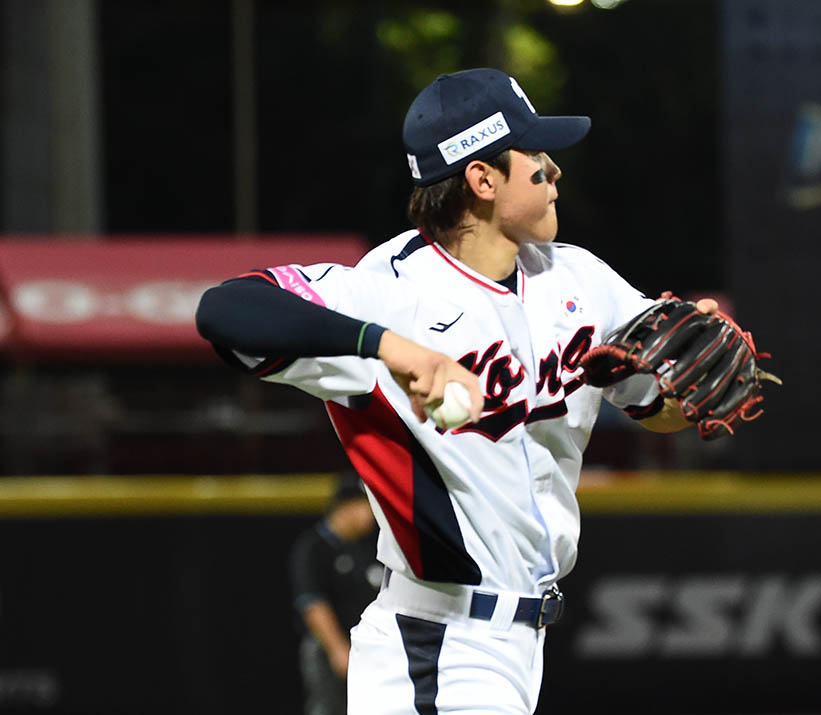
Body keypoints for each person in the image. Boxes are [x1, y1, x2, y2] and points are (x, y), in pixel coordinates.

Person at [195, 67, 719, 714]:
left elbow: (656, 410)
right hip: (436, 641)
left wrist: (684, 396)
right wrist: (388, 345)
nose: (553, 170)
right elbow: (225, 309)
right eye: (536, 156)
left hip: (520, 642)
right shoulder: (389, 291)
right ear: (482, 178)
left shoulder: (578, 281)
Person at [290, 471, 382, 715]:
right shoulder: (314, 547)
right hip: (329, 647)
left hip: (369, 647)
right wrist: (338, 650)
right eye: (366, 505)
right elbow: (313, 603)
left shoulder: (371, 545)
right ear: (346, 505)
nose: (372, 514)